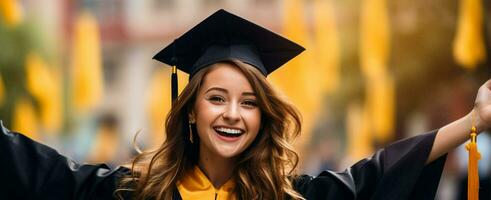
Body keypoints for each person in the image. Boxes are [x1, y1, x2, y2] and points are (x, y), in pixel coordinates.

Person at [0, 9, 490, 200]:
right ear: (191, 110)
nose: (233, 113)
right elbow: (39, 170)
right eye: (217, 98)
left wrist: (472, 121)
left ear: (262, 118)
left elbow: (376, 177)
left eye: (249, 102)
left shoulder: (285, 196)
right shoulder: (136, 193)